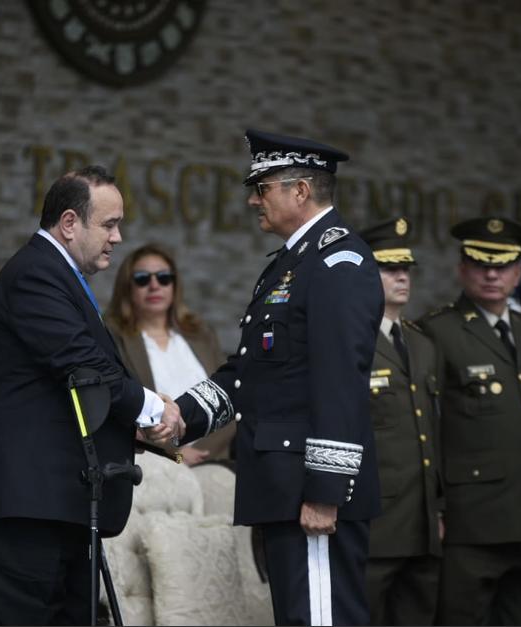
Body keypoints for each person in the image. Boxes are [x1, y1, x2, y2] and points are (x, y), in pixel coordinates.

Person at [0, 165, 184, 625]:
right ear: (69, 223)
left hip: (59, 502)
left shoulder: (59, 275)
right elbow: (84, 366)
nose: (118, 238)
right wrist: (155, 409)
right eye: (109, 224)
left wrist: (132, 428)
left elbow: (63, 388)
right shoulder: (35, 274)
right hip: (26, 506)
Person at [173, 129, 384, 625]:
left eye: (262, 187)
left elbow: (340, 382)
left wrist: (325, 492)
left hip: (312, 494)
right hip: (285, 488)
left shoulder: (337, 263)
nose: (253, 200)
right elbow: (252, 372)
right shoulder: (292, 264)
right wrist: (180, 415)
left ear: (301, 191)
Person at [419, 216, 521, 625]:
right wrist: (435, 509)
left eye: (503, 265)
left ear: (518, 273)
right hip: (470, 523)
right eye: (480, 264)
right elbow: (426, 432)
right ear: (462, 269)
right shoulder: (436, 332)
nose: (492, 274)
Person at [359, 217, 443, 625]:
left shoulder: (422, 343)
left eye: (405, 268)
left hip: (422, 522)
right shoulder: (351, 340)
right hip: (374, 521)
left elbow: (432, 432)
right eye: (389, 268)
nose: (402, 277)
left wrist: (439, 508)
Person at [105, 243, 232, 465]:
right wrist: (176, 453)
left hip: (213, 459)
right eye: (142, 279)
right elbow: (119, 409)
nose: (154, 286)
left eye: (163, 277)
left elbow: (230, 397)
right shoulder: (114, 338)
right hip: (153, 462)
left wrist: (201, 452)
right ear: (127, 287)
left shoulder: (201, 334)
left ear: (174, 285)